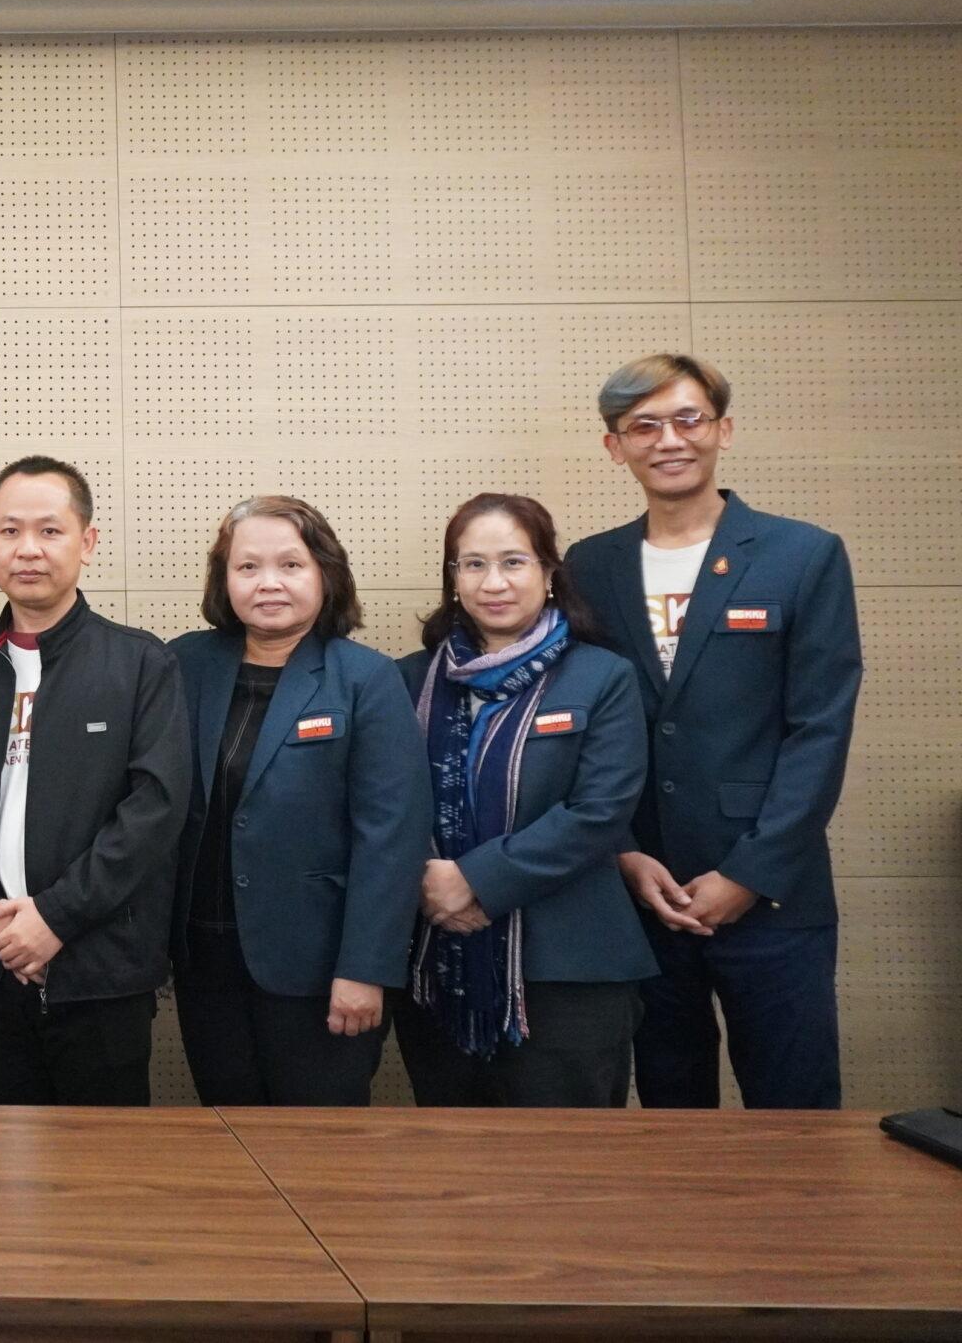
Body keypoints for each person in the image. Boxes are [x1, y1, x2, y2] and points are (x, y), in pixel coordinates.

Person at [563, 355, 862, 1110]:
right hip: (646, 891)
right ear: (615, 447)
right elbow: (583, 726)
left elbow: (820, 730)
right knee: (671, 1114)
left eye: (688, 419)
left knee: (794, 1111)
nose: (669, 440)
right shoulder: (590, 566)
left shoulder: (803, 555)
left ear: (723, 430)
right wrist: (622, 851)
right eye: (644, 426)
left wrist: (749, 873)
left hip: (771, 892)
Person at [0, 457, 189, 1105]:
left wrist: (55, 917)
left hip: (101, 968)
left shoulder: (140, 664)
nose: (28, 549)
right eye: (10, 531)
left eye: (50, 531)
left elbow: (156, 808)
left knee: (103, 1154)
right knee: (2, 1147)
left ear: (87, 542)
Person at [394, 493, 656, 1108]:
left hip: (568, 968)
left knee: (565, 1159)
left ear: (549, 572)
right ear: (453, 579)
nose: (494, 583)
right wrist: (429, 882)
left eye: (514, 562)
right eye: (474, 564)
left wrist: (474, 882)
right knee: (452, 1154)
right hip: (438, 960)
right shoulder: (408, 679)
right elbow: (385, 804)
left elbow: (600, 812)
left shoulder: (602, 676)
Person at [166, 497, 429, 1107]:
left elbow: (391, 838)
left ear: (325, 574)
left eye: (290, 565)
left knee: (317, 1143)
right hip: (205, 963)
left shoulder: (365, 678)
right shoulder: (184, 665)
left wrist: (365, 968)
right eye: (247, 567)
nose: (269, 583)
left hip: (320, 967)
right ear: (224, 579)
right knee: (230, 1132)